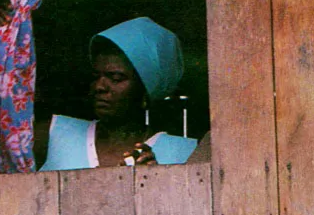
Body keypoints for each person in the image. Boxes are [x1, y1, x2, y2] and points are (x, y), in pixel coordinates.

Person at [39, 18, 199, 171]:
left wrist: (157, 181)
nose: (99, 86)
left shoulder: (183, 153)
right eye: (96, 76)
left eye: (116, 78)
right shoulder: (55, 135)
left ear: (145, 91)